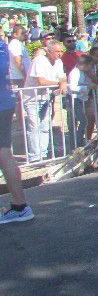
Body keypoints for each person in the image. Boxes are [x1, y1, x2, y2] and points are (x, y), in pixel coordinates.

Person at [0, 39, 34, 224]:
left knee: (3, 152)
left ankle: (20, 206)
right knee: (4, 152)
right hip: (5, 102)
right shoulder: (2, 45)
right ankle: (20, 206)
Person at [24, 41, 67, 162]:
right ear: (49, 52)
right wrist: (59, 83)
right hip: (32, 98)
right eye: (57, 52)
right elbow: (41, 81)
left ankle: (43, 154)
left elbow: (62, 76)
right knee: (34, 126)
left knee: (45, 126)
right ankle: (35, 156)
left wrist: (63, 82)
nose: (60, 54)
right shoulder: (39, 61)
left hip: (47, 97)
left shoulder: (58, 62)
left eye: (61, 51)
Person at [61, 33, 86, 145]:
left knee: (83, 119)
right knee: (72, 120)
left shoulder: (81, 54)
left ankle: (80, 140)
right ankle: (73, 144)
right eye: (69, 41)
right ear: (64, 43)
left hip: (81, 91)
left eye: (73, 41)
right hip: (70, 91)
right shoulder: (63, 57)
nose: (72, 43)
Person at [67, 55, 91, 146]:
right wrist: (87, 87)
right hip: (74, 99)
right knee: (79, 122)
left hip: (79, 99)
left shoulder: (81, 72)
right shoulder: (75, 72)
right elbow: (72, 87)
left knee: (82, 121)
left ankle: (78, 141)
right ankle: (76, 143)